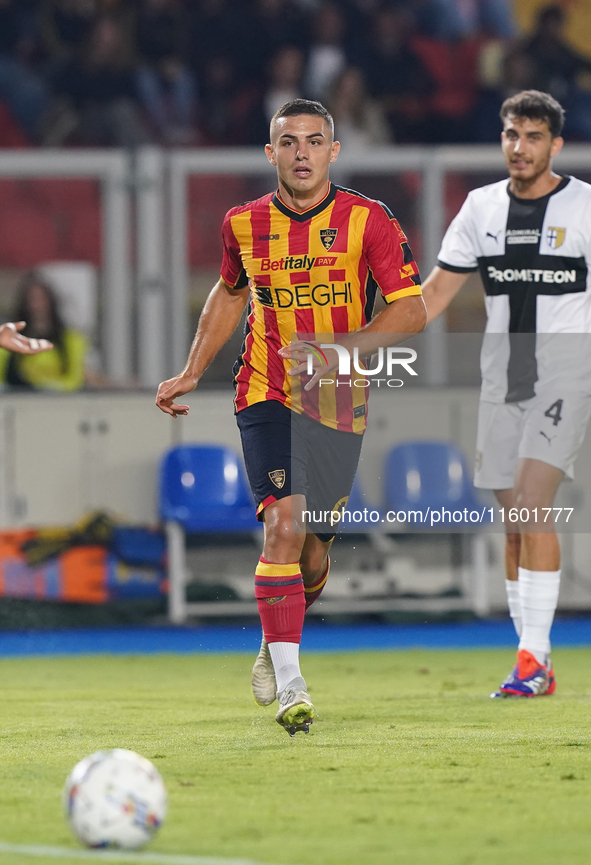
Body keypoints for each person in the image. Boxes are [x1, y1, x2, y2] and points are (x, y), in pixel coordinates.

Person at [156, 98, 426, 735]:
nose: (300, 152)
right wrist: (194, 369)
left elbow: (410, 309)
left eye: (313, 141)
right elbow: (229, 294)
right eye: (288, 141)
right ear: (270, 153)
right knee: (283, 522)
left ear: (334, 151)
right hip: (266, 389)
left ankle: (275, 641)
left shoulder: (370, 221)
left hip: (338, 399)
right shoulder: (242, 224)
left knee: (311, 558)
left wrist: (345, 350)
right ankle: (293, 685)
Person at [421, 89, 591, 697]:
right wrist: (357, 341)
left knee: (529, 501)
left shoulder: (585, 207)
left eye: (534, 137)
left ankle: (535, 658)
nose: (520, 148)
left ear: (556, 145)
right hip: (502, 380)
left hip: (565, 373)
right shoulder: (480, 207)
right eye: (512, 135)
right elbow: (435, 295)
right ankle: (530, 659)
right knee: (512, 523)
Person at [0, 271, 88, 391]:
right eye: (32, 300)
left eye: (41, 299)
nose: (37, 306)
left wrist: (48, 389)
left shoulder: (71, 340)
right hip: (20, 402)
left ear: (50, 301)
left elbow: (74, 380)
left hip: (57, 403)